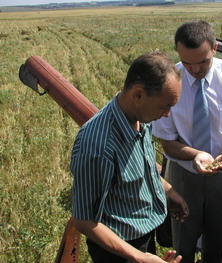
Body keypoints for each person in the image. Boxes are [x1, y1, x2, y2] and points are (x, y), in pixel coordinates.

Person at [70, 51, 189, 263]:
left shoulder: (139, 118)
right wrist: (139, 257)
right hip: (118, 250)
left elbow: (143, 168)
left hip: (141, 239)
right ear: (138, 95)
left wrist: (168, 191)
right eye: (165, 106)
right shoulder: (98, 145)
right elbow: (84, 221)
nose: (167, 114)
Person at [152, 20, 222, 263]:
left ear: (215, 48)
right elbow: (167, 142)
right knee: (182, 240)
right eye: (187, 63)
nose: (195, 69)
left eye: (202, 62)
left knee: (218, 237)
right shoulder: (170, 82)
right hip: (184, 173)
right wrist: (195, 155)